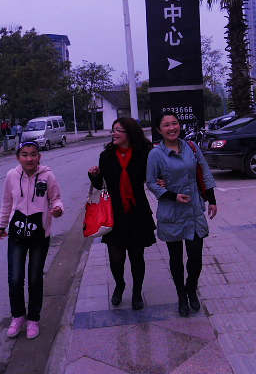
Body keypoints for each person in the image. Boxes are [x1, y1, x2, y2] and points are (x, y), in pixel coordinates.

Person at [146, 111, 217, 317]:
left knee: (196, 257)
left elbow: (204, 171)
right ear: (159, 130)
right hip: (172, 212)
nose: (172, 128)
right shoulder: (155, 154)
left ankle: (191, 288)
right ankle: (181, 295)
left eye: (174, 123)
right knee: (176, 259)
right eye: (166, 125)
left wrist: (212, 199)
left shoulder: (191, 147)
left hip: (193, 210)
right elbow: (151, 182)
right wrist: (171, 195)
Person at [0, 141, 63, 339]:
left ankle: (33, 319)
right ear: (18, 157)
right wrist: (1, 225)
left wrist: (58, 209)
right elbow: (7, 202)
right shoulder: (11, 176)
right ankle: (18, 316)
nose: (29, 158)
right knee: (15, 278)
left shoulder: (48, 176)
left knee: (35, 278)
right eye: (24, 154)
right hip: (17, 233)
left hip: (39, 235)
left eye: (33, 154)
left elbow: (56, 198)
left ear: (39, 157)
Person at [88, 117, 156, 310]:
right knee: (115, 258)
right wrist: (94, 176)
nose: (114, 133)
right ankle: (120, 284)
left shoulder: (144, 153)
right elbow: (100, 185)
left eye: (118, 130)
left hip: (137, 211)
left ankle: (137, 292)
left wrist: (162, 181)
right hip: (115, 212)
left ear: (129, 133)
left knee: (137, 256)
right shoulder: (106, 156)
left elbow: (152, 177)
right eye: (113, 130)